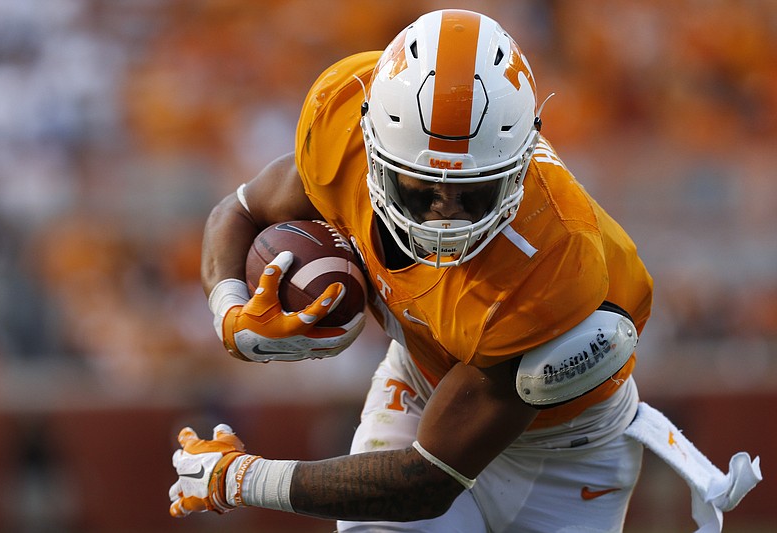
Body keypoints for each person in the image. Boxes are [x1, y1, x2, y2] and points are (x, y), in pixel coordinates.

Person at [168, 9, 760, 532]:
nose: (444, 215)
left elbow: (428, 480)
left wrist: (243, 480)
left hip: (565, 454)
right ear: (373, 145)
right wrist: (230, 312)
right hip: (424, 383)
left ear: (521, 162)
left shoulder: (554, 259)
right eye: (420, 186)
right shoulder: (343, 112)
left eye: (472, 192)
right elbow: (238, 212)